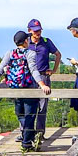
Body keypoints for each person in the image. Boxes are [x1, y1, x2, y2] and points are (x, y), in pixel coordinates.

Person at [0, 30, 52, 150]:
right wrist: (42, 85)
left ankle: (28, 138)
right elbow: (34, 70)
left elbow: (0, 69)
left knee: (20, 114)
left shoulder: (10, 53)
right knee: (30, 116)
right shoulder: (30, 53)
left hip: (16, 89)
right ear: (26, 41)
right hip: (29, 90)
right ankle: (27, 142)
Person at [22, 19, 60, 149]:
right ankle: (26, 132)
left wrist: (54, 70)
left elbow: (57, 54)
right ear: (29, 30)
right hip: (29, 78)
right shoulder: (26, 42)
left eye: (39, 30)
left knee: (42, 106)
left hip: (43, 75)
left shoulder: (46, 42)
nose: (37, 32)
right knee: (27, 106)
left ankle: (39, 133)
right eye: (35, 30)